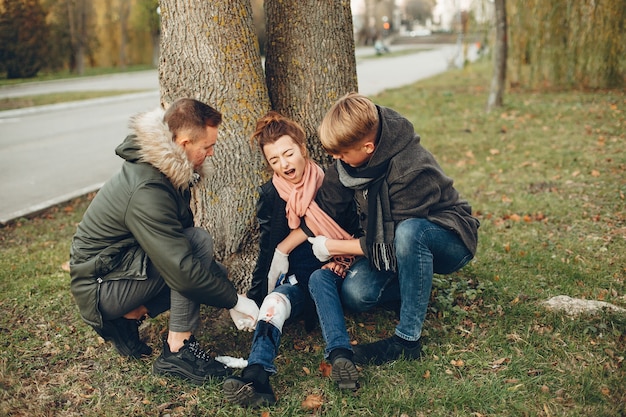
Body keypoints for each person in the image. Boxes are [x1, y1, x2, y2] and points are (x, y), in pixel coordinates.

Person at [69, 98, 260, 385]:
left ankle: (128, 317)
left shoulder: (166, 171)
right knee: (195, 245)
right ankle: (177, 352)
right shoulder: (148, 188)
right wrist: (232, 300)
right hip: (100, 288)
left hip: (119, 270)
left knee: (194, 247)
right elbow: (182, 267)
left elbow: (179, 250)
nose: (211, 153)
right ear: (183, 143)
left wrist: (233, 297)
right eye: (207, 147)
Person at [307, 92, 480, 370]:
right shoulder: (351, 161)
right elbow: (326, 206)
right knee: (356, 293)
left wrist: (333, 247)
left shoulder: (409, 168)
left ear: (367, 147)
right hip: (393, 246)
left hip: (447, 238)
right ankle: (415, 286)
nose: (336, 159)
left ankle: (408, 341)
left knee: (410, 233)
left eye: (341, 154)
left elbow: (389, 241)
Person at [222, 111, 360, 407]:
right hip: (297, 282)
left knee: (321, 278)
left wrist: (288, 245)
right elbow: (266, 249)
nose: (284, 165)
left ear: (302, 148)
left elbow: (348, 226)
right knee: (274, 301)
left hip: (334, 272)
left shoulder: (330, 180)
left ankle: (341, 358)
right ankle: (256, 375)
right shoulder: (273, 194)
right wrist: (257, 297)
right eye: (274, 160)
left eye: (288, 154)